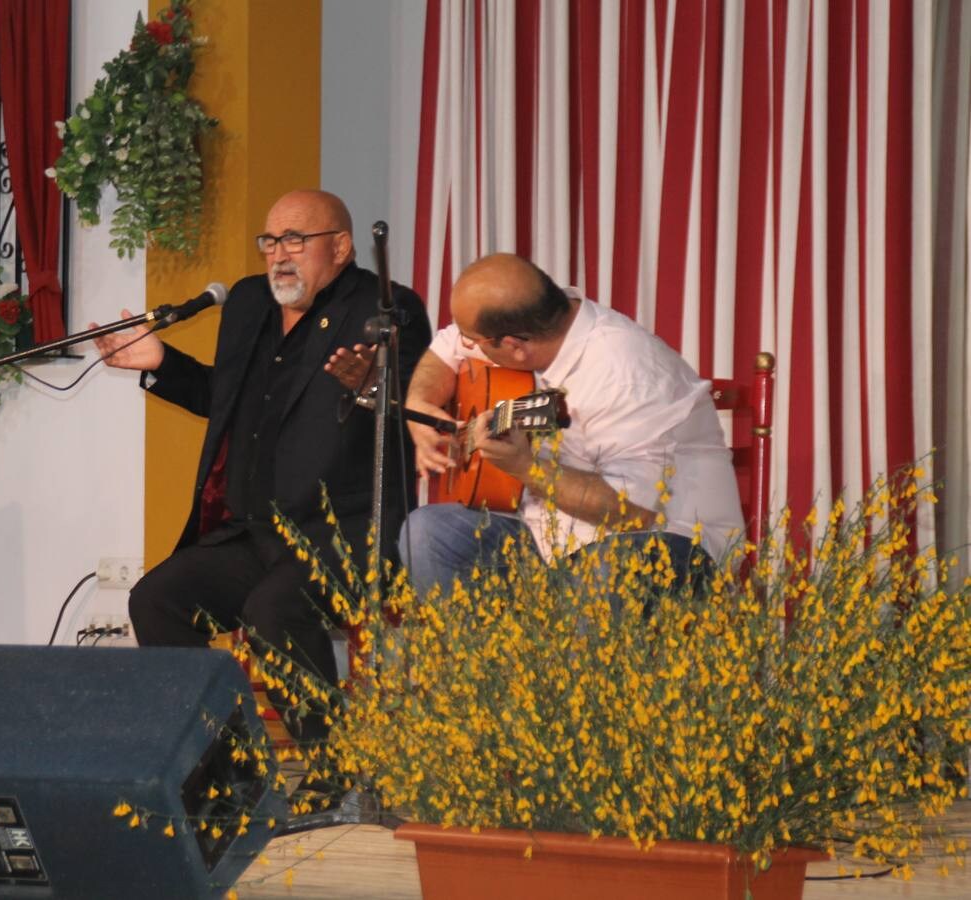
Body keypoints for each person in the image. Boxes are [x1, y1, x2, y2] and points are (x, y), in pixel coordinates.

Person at [91, 189, 431, 744]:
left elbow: (416, 410)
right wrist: (161, 362)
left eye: (295, 240)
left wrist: (370, 386)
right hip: (255, 532)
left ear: (341, 247)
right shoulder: (250, 303)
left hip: (344, 531)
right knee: (156, 599)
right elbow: (224, 400)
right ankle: (229, 762)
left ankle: (333, 768)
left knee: (272, 610)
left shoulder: (384, 308)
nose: (279, 254)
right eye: (269, 241)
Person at [398, 253, 743, 596]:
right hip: (553, 545)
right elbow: (446, 348)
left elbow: (632, 514)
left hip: (664, 551)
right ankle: (493, 652)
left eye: (473, 340)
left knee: (606, 566)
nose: (467, 345)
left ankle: (547, 649)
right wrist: (419, 405)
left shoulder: (626, 376)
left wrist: (526, 468)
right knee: (427, 532)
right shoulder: (534, 320)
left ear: (515, 347)